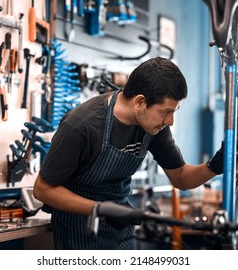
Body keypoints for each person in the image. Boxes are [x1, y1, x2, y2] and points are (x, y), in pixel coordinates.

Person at [33, 57, 223, 250]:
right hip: (79, 231)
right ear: (140, 102)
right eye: (166, 111)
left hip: (121, 229)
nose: (170, 121)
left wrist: (216, 165)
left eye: (174, 112)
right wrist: (100, 210)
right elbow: (42, 189)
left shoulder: (154, 126)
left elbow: (181, 178)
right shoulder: (82, 126)